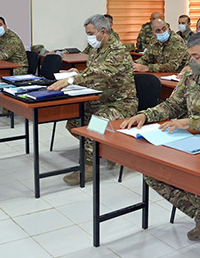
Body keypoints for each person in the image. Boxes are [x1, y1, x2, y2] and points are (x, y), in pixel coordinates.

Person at [121, 32, 200, 241]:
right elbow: (172, 105)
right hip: (193, 143)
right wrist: (145, 115)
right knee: (154, 172)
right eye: (190, 56)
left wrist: (190, 123)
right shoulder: (192, 77)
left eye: (196, 57)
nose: (191, 61)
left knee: (195, 176)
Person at [49, 14, 138, 185]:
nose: (89, 37)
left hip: (120, 104)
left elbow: (100, 73)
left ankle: (89, 168)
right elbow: (93, 72)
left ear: (103, 32)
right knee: (74, 122)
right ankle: (108, 150)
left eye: (91, 33)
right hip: (101, 99)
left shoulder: (117, 51)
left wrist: (72, 80)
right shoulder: (98, 49)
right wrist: (77, 73)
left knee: (94, 125)